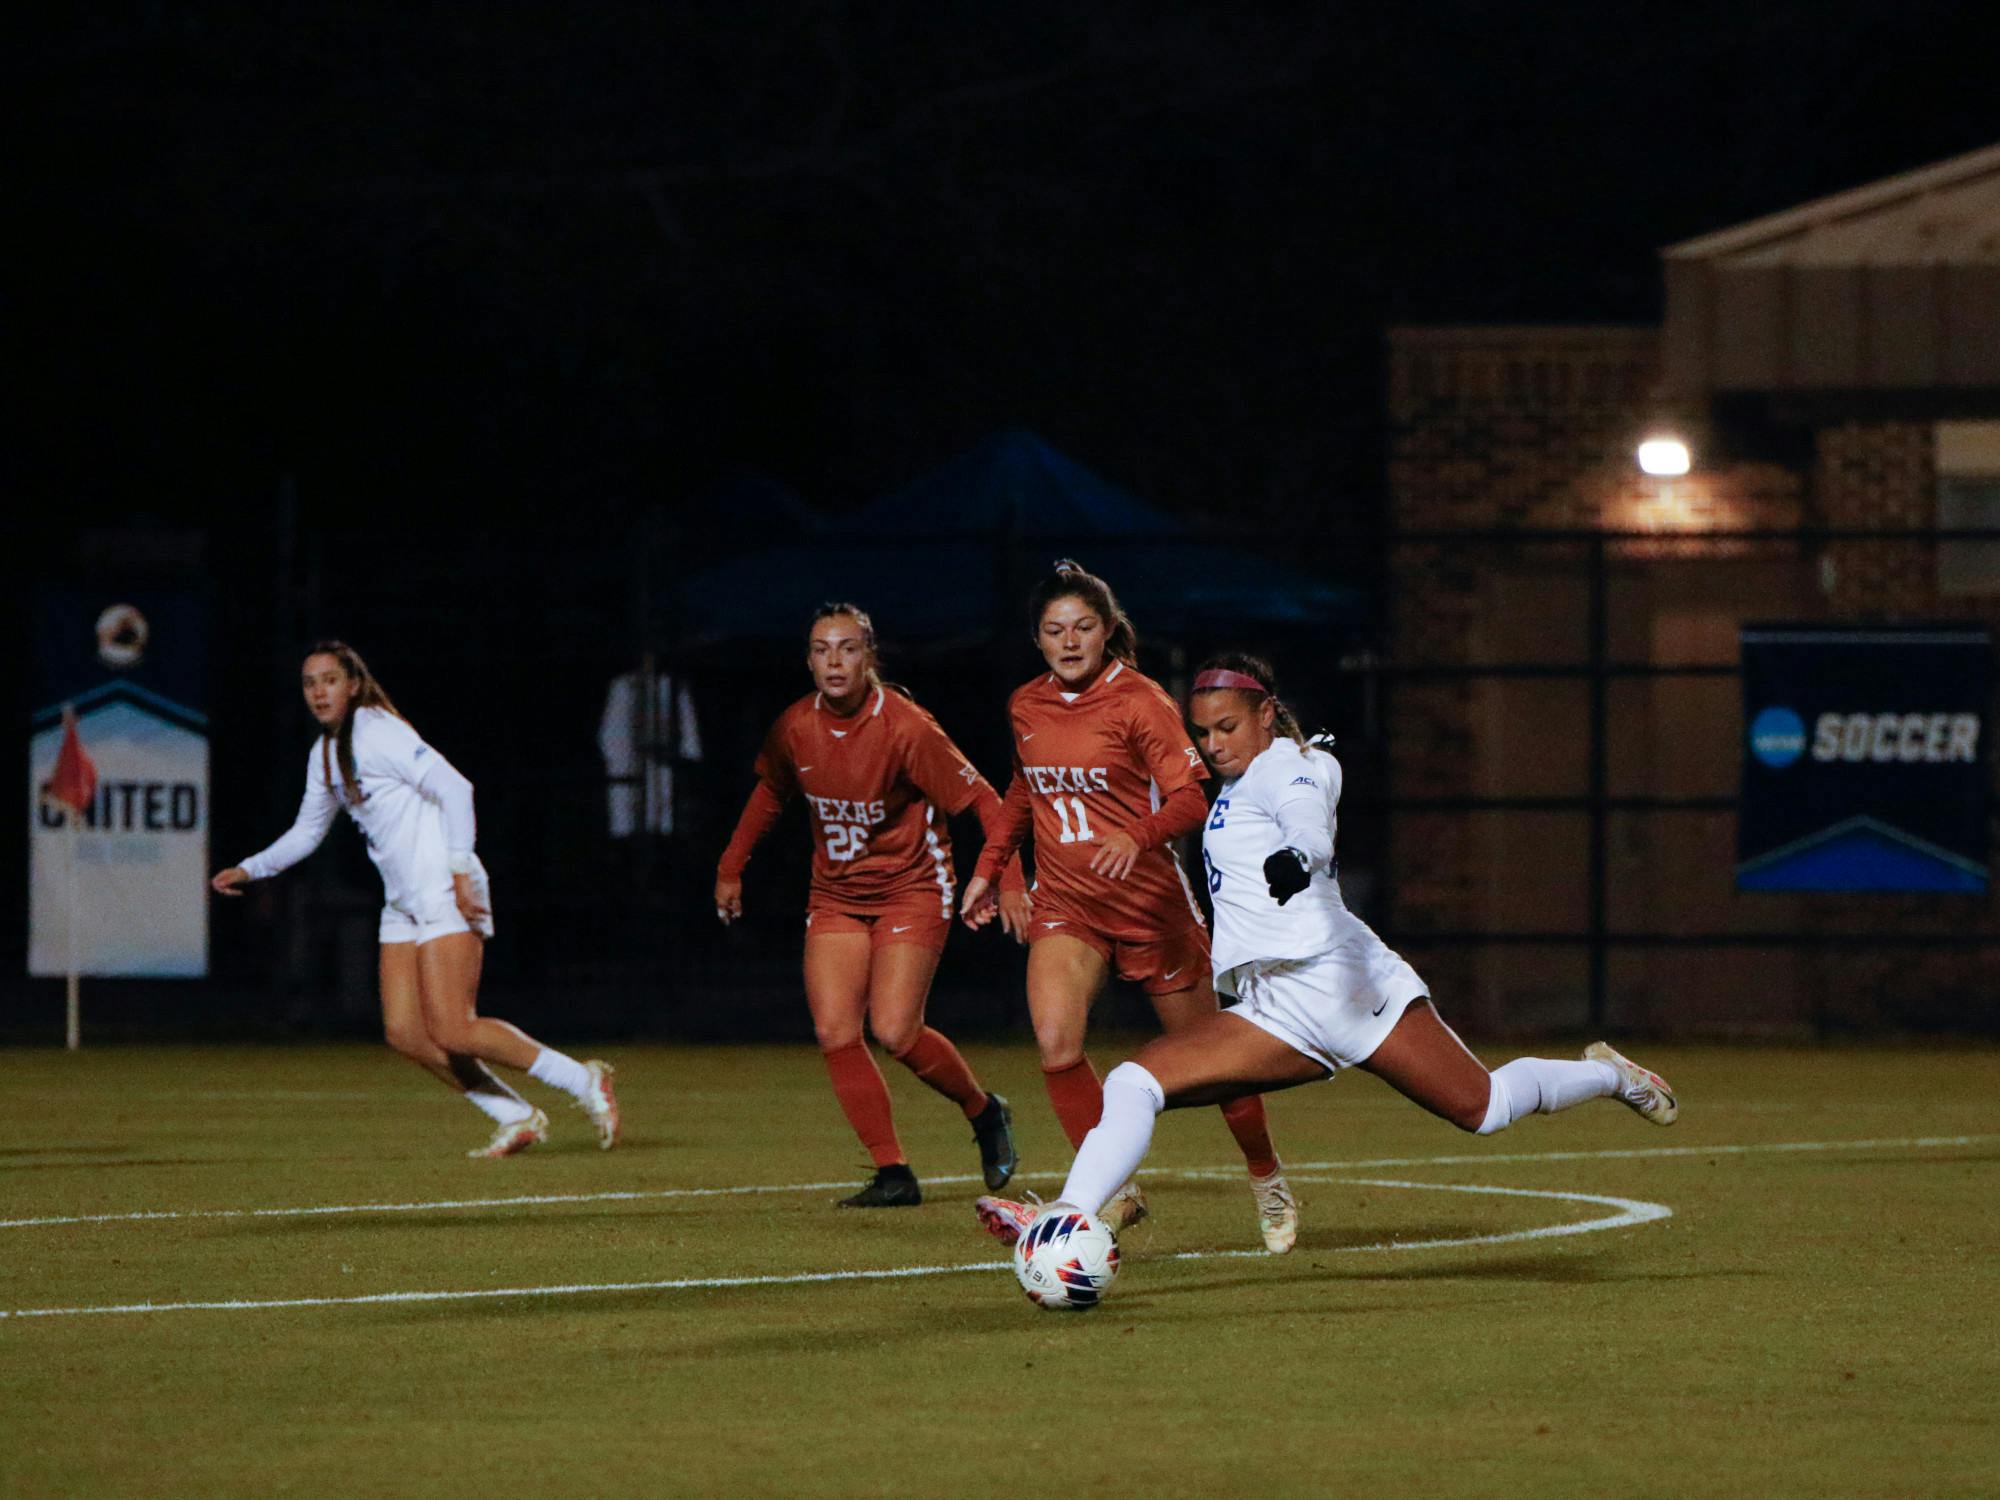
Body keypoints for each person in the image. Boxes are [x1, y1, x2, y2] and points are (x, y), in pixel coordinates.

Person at [976, 651, 1678, 1256]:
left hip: (1344, 985)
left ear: (1266, 714)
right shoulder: (1235, 785)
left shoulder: (1294, 763)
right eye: (1204, 732)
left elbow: (1310, 820)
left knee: (1484, 1108)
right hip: (1276, 1005)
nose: (1213, 744)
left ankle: (1611, 1076)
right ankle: (1066, 1219)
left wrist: (1297, 856)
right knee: (1136, 1082)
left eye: (1227, 727)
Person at [960, 563, 1297, 1254]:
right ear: (1037, 638)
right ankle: (1108, 1195)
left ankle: (1266, 1177)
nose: (1069, 640)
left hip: (1150, 909)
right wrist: (990, 871)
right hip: (1067, 905)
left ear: (1108, 632)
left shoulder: (1139, 700)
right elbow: (1025, 791)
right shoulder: (1027, 704)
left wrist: (1136, 835)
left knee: (1222, 1066)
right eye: (1054, 630)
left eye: (1083, 627)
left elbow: (1192, 799)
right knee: (1057, 1047)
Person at [211, 641, 620, 1158]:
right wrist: (251, 868)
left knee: (454, 1027)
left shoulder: (377, 731)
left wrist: (459, 870)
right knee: (404, 1032)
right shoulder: (326, 753)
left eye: (329, 680)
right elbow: (306, 832)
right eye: (310, 683)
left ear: (354, 684)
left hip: (444, 886)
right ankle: (514, 1114)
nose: (318, 692)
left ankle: (582, 1080)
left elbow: (457, 788)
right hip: (403, 902)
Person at [714, 603, 1021, 1208]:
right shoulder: (795, 726)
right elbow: (770, 791)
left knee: (895, 1029)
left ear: (870, 656)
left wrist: (1007, 878)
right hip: (836, 894)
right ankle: (894, 1173)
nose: (834, 661)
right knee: (835, 1030)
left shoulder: (906, 727)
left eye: (848, 648)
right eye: (822, 649)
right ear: (808, 660)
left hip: (914, 886)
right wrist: (731, 867)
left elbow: (983, 799)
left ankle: (984, 1112)